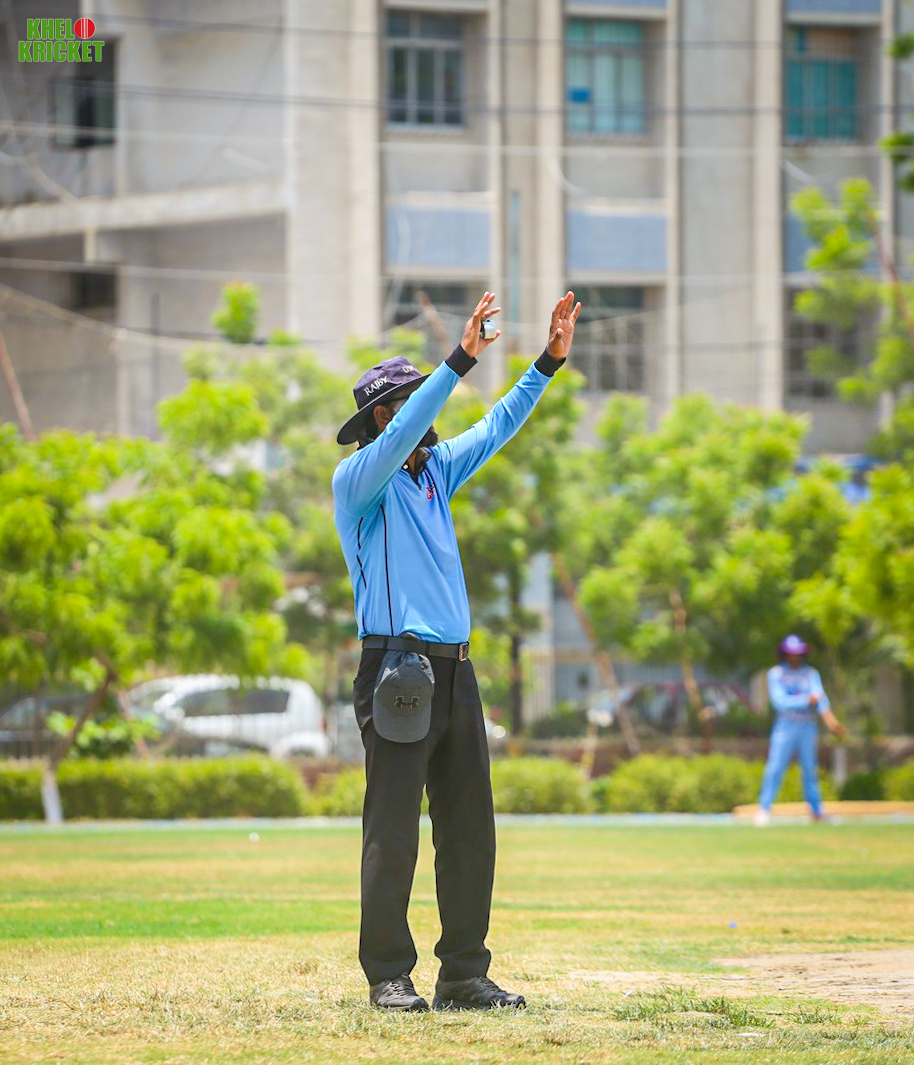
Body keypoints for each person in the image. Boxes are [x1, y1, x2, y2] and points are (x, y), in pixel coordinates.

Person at [332, 291, 581, 1011]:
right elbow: (413, 422)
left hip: (456, 669)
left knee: (470, 828)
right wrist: (461, 358)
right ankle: (388, 973)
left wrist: (547, 363)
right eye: (408, 404)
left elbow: (498, 424)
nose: (424, 415)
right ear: (384, 419)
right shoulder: (360, 481)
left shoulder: (437, 472)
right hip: (394, 668)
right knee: (393, 829)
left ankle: (464, 975)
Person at [755, 634, 847, 825]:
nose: (795, 656)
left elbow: (820, 700)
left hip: (807, 726)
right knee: (775, 767)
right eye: (791, 653)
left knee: (810, 769)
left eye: (798, 653)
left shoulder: (811, 674)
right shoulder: (776, 673)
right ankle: (764, 809)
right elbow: (780, 702)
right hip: (785, 726)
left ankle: (816, 811)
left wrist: (831, 722)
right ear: (785, 654)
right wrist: (805, 700)